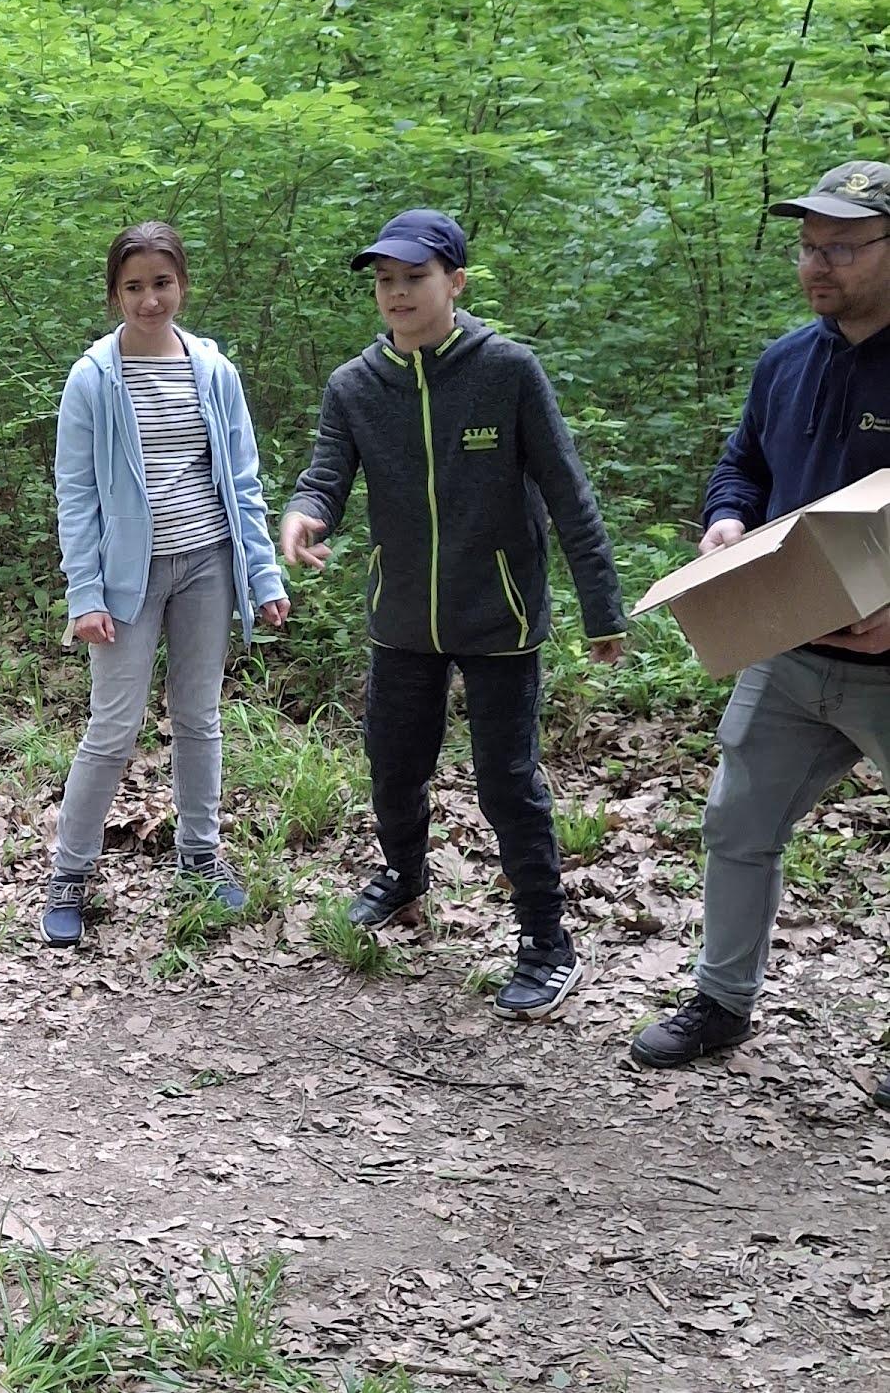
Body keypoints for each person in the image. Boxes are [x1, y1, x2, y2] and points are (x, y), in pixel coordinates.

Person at [279, 208, 625, 1018]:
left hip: (498, 614)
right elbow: (326, 473)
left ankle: (546, 942)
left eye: (414, 278)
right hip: (401, 613)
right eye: (384, 281)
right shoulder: (355, 385)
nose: (396, 293)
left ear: (455, 282)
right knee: (393, 765)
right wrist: (303, 513)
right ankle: (403, 877)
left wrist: (601, 610)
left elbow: (568, 492)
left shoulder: (506, 371)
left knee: (507, 783)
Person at [630, 162, 890, 1089]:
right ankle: (720, 1001)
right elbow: (741, 463)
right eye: (808, 247)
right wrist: (727, 517)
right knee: (736, 822)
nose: (817, 265)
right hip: (788, 651)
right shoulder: (784, 361)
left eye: (843, 248)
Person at [44, 221, 291, 946]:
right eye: (133, 286)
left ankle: (199, 858)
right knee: (113, 726)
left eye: (161, 282)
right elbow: (75, 496)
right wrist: (84, 595)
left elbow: (240, 481)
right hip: (127, 578)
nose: (149, 299)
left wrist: (262, 574)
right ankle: (68, 874)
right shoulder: (93, 378)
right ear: (114, 293)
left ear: (182, 284)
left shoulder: (213, 371)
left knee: (198, 717)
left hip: (207, 564)